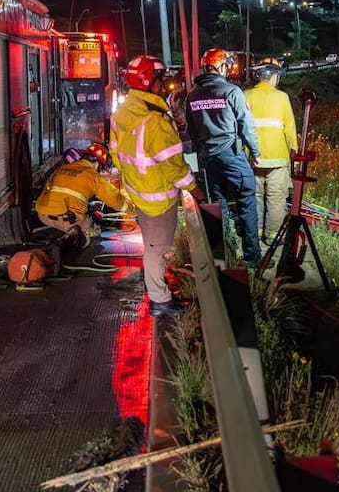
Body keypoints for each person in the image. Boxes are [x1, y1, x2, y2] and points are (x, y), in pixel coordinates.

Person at [110, 55, 205, 318]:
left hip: (139, 193)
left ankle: (158, 293)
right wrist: (195, 189)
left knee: (151, 245)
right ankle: (160, 301)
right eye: (160, 80)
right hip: (158, 199)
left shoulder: (122, 113)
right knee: (156, 250)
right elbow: (173, 166)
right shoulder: (155, 120)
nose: (163, 85)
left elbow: (117, 154)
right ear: (149, 82)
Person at [185, 48, 262, 265]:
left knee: (218, 204)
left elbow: (191, 129)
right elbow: (246, 126)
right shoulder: (232, 91)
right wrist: (254, 152)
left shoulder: (193, 95)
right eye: (226, 66)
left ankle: (225, 254)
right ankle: (252, 257)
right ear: (220, 66)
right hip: (231, 154)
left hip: (208, 158)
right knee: (246, 199)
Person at [243, 61, 298, 243]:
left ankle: (255, 233)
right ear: (274, 77)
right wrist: (295, 155)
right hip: (277, 158)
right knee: (276, 198)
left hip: (253, 158)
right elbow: (290, 128)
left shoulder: (246, 95)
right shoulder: (281, 97)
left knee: (255, 196)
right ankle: (273, 237)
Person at [34, 143, 131, 246]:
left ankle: (62, 233)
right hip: (66, 219)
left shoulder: (62, 169)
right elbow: (114, 199)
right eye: (100, 169)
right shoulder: (92, 175)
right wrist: (131, 209)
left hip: (42, 215)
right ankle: (72, 241)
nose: (100, 172)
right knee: (95, 234)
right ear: (96, 164)